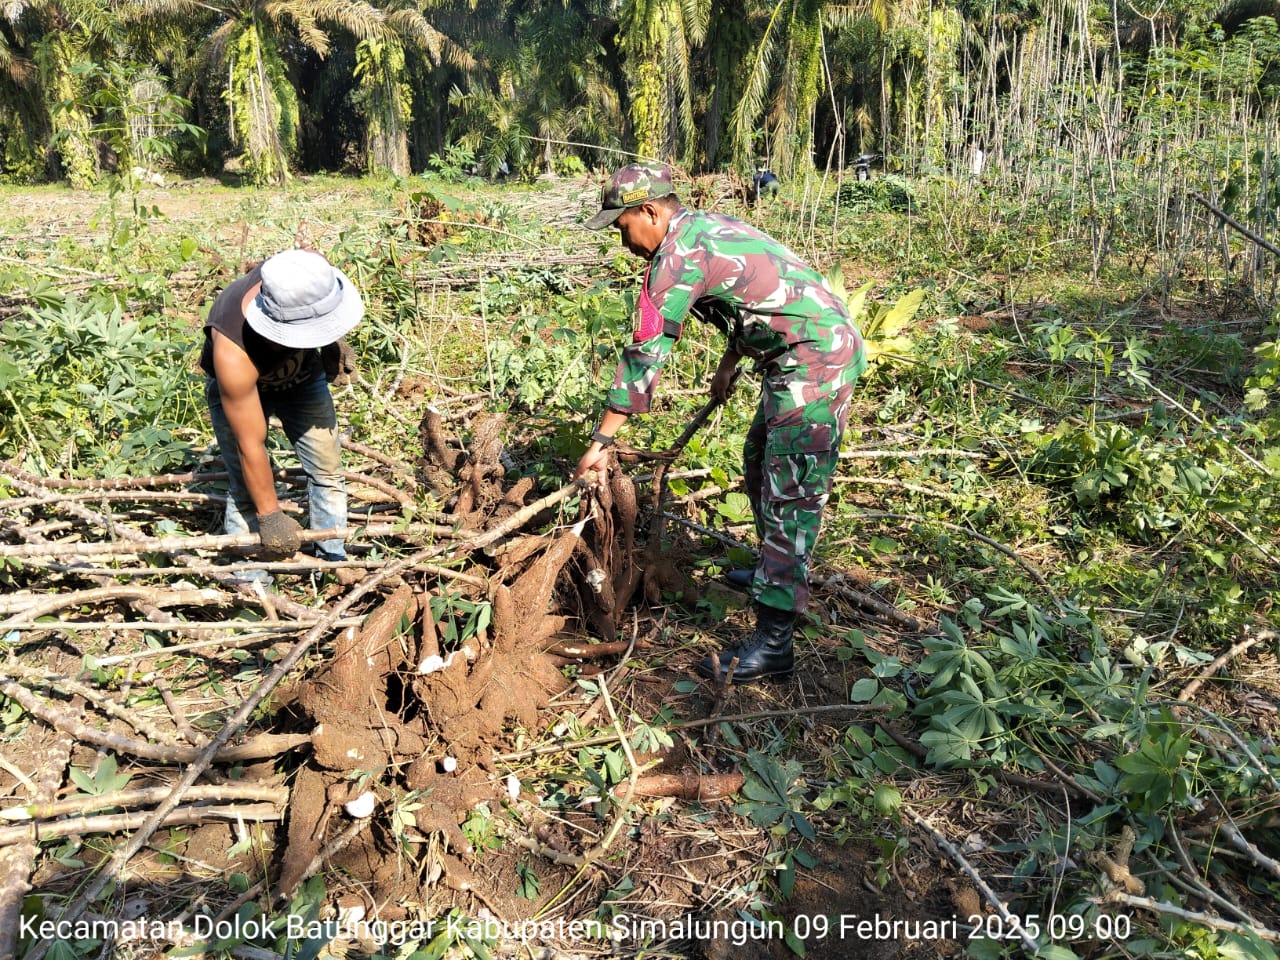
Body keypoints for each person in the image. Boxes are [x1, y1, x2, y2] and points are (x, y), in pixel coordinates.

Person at [574, 163, 867, 683]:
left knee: (790, 492)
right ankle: (769, 569)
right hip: (800, 352)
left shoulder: (678, 256)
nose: (624, 242)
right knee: (758, 459)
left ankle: (775, 637)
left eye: (623, 227)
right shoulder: (707, 229)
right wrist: (730, 362)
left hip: (815, 358)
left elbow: (645, 353)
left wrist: (603, 439)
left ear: (650, 211)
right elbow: (757, 295)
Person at [200, 248, 364, 580]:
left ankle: (332, 562)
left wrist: (333, 340)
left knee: (328, 470)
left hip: (303, 380)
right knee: (245, 490)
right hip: (243, 394)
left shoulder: (299, 272)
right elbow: (251, 444)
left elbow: (318, 284)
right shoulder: (233, 350)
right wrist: (271, 516)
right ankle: (252, 577)